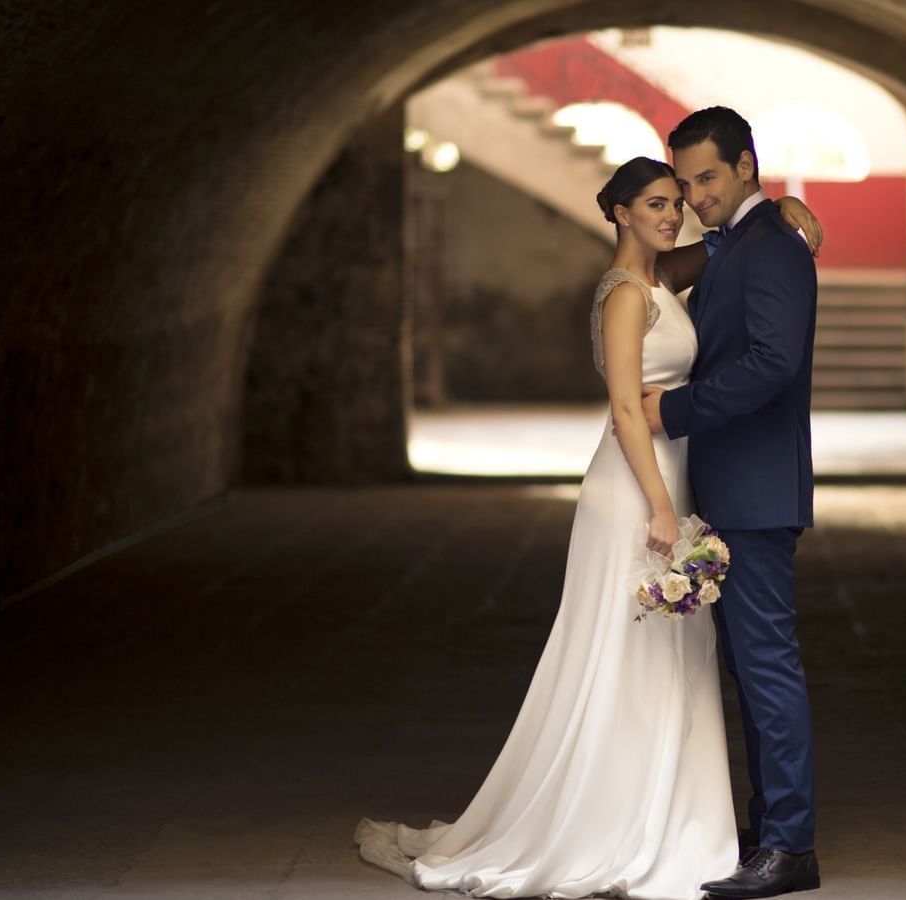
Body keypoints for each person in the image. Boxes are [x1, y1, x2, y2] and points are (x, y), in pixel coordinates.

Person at [353, 156, 823, 900]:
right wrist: (663, 511)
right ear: (618, 212)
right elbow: (628, 410)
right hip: (636, 490)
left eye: (679, 200)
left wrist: (786, 210)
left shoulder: (669, 273)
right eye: (656, 203)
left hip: (675, 479)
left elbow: (732, 241)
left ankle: (671, 820)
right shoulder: (624, 296)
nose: (674, 213)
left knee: (677, 655)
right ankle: (610, 824)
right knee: (624, 652)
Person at [642, 106, 820, 899]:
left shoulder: (772, 246)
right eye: (683, 182)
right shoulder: (734, 243)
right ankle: (766, 830)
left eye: (707, 177)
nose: (695, 195)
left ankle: (791, 846)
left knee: (767, 666)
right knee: (749, 671)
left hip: (755, 491)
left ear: (747, 166)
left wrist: (673, 412)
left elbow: (774, 362)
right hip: (726, 490)